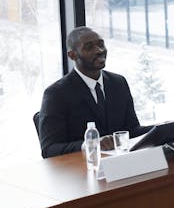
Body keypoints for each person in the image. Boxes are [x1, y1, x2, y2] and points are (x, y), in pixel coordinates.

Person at [37, 26, 148, 158]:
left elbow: (132, 130)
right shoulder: (56, 94)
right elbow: (49, 149)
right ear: (72, 55)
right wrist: (89, 144)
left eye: (101, 44)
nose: (99, 50)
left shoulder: (118, 82)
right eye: (89, 47)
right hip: (82, 166)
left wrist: (162, 129)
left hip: (120, 163)